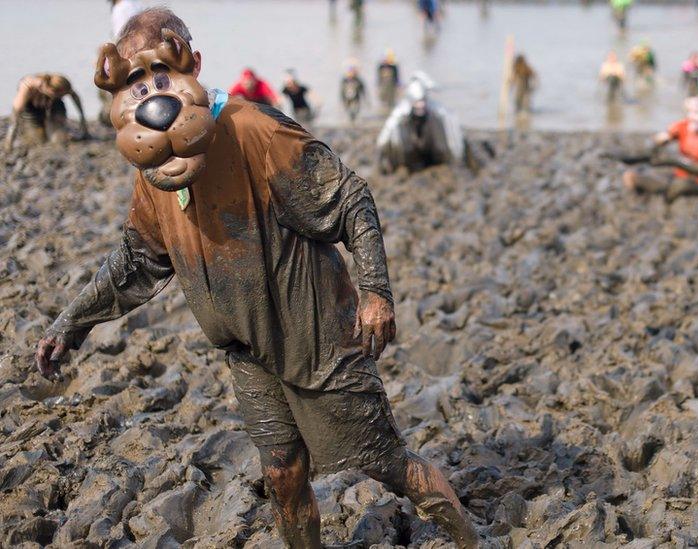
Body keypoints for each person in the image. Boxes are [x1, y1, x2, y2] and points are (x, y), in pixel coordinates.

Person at [37, 9, 479, 549]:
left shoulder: (256, 130)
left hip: (317, 338)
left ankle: (468, 540)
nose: (150, 97)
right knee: (282, 475)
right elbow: (137, 260)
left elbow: (351, 198)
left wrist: (376, 293)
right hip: (247, 352)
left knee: (384, 463)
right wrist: (71, 324)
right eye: (134, 83)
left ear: (193, 65)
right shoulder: (152, 167)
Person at [613, 96, 698, 202]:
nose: (692, 117)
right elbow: (658, 140)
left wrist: (673, 160)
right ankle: (640, 202)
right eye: (689, 112)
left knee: (678, 186)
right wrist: (656, 143)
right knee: (630, 176)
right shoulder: (684, 126)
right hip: (676, 175)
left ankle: (666, 198)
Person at [4, 74, 89, 152]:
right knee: (39, 140)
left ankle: (62, 133)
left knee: (58, 138)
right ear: (52, 90)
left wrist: (83, 122)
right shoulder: (27, 87)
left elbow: (75, 98)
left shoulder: (61, 86)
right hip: (32, 107)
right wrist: (9, 143)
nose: (64, 96)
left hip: (54, 104)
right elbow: (15, 117)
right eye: (62, 95)